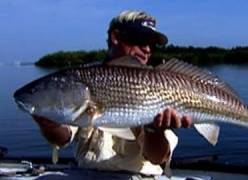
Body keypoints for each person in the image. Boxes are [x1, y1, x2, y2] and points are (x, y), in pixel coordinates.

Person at [33, 10, 192, 176]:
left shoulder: (161, 85)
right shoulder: (82, 81)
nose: (147, 49)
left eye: (152, 45)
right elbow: (62, 137)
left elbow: (157, 158)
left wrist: (155, 131)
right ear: (115, 37)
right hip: (84, 174)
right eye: (140, 40)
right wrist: (47, 124)